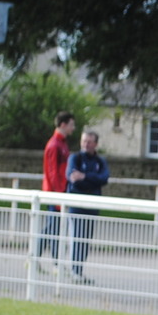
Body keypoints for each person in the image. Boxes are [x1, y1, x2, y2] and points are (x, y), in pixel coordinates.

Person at [64, 130, 110, 284]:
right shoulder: (75, 158)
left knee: (85, 238)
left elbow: (103, 178)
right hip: (76, 204)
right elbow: (71, 177)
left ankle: (79, 270)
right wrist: (90, 181)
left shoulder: (100, 161)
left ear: (95, 144)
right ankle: (74, 270)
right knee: (76, 236)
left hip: (92, 204)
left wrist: (85, 176)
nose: (86, 144)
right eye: (84, 141)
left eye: (89, 142)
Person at [36, 111, 75, 272]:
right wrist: (59, 195)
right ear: (63, 125)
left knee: (52, 227)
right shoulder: (55, 145)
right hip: (54, 193)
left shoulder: (62, 144)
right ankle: (55, 263)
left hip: (58, 192)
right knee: (54, 228)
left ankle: (36, 257)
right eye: (71, 124)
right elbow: (52, 173)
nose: (73, 128)